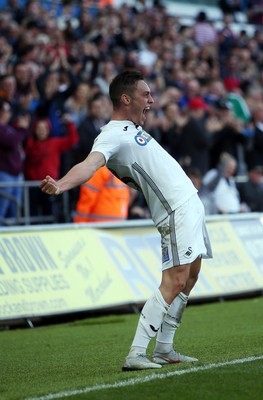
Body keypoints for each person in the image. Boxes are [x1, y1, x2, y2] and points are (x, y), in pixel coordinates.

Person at [40, 70, 212, 371]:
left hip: (190, 204)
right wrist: (62, 184)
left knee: (192, 277)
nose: (152, 100)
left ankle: (165, 348)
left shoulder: (132, 129)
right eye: (146, 95)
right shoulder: (111, 134)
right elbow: (90, 164)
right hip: (174, 211)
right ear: (126, 98)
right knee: (175, 280)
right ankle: (135, 354)